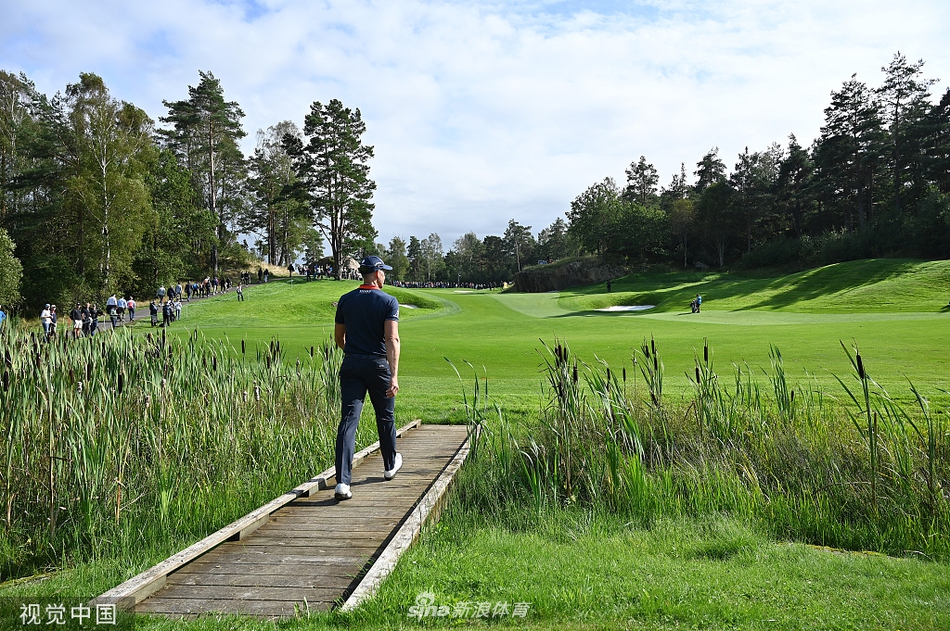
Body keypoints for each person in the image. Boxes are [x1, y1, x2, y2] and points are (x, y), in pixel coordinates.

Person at [332, 255, 402, 501]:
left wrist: (354, 354)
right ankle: (390, 465)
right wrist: (394, 375)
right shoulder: (388, 301)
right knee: (385, 415)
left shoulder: (346, 299)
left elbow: (339, 337)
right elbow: (392, 339)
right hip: (378, 366)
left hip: (352, 363)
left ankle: (342, 482)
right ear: (377, 273)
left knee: (349, 420)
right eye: (384, 272)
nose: (385, 276)